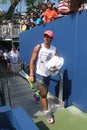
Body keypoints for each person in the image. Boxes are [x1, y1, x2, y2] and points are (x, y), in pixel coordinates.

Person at [29, 30, 59, 124]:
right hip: (39, 74)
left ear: (51, 38)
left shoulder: (54, 49)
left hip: (47, 75)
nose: (46, 38)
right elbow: (32, 61)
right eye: (45, 36)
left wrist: (55, 68)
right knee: (44, 94)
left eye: (48, 36)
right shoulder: (39, 47)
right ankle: (48, 114)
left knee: (42, 92)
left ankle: (36, 94)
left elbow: (57, 63)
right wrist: (31, 74)